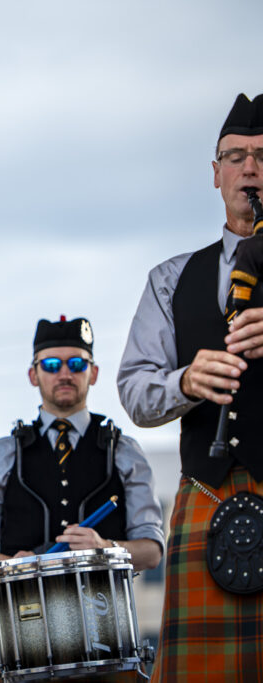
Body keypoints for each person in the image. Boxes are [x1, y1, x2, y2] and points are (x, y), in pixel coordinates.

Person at [117, 93, 263, 682]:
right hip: (211, 497)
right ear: (215, 174)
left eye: (261, 156)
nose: (250, 169)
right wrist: (186, 380)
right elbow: (133, 390)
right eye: (235, 157)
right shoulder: (172, 280)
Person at [0, 316, 165, 678]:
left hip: (105, 631)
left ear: (94, 373)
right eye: (52, 365)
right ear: (33, 374)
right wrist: (11, 568)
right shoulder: (3, 453)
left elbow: (152, 549)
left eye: (77, 364)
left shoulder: (125, 451)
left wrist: (106, 548)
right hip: (24, 629)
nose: (64, 373)